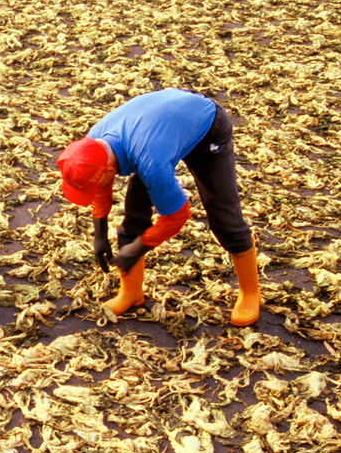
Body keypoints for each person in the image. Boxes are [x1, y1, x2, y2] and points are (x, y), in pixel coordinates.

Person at [57, 88, 260, 326]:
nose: (93, 191)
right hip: (158, 131)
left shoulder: (150, 162)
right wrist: (100, 234)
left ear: (111, 170)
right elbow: (100, 185)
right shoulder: (92, 146)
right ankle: (131, 292)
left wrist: (136, 249)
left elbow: (177, 216)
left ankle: (250, 293)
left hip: (206, 126)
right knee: (133, 221)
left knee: (225, 219)